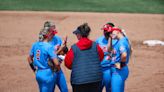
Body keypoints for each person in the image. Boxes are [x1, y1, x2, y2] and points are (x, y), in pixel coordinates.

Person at [64, 23, 104, 92]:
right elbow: (101, 57)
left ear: (80, 35)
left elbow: (68, 64)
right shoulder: (95, 45)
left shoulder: (74, 48)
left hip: (79, 81)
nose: (76, 35)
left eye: (76, 34)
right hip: (95, 79)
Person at [27, 23, 60, 92]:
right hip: (48, 74)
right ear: (47, 35)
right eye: (50, 34)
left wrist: (34, 70)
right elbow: (56, 63)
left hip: (38, 73)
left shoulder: (35, 45)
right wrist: (56, 70)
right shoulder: (49, 47)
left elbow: (29, 58)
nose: (51, 35)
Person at [44, 21, 68, 92]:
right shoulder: (43, 43)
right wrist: (60, 49)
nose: (54, 33)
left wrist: (64, 46)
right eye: (52, 31)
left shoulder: (57, 39)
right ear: (47, 31)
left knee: (65, 90)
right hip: (49, 71)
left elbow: (64, 52)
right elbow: (49, 58)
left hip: (58, 69)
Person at [109, 27, 132, 92]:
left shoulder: (121, 42)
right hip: (120, 71)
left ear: (117, 31)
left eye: (112, 32)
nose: (110, 34)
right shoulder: (122, 40)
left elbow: (124, 55)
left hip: (118, 71)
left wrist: (120, 65)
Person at [96, 22, 115, 92]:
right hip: (99, 69)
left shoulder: (115, 41)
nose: (104, 32)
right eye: (103, 30)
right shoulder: (99, 40)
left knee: (109, 89)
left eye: (105, 31)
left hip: (109, 69)